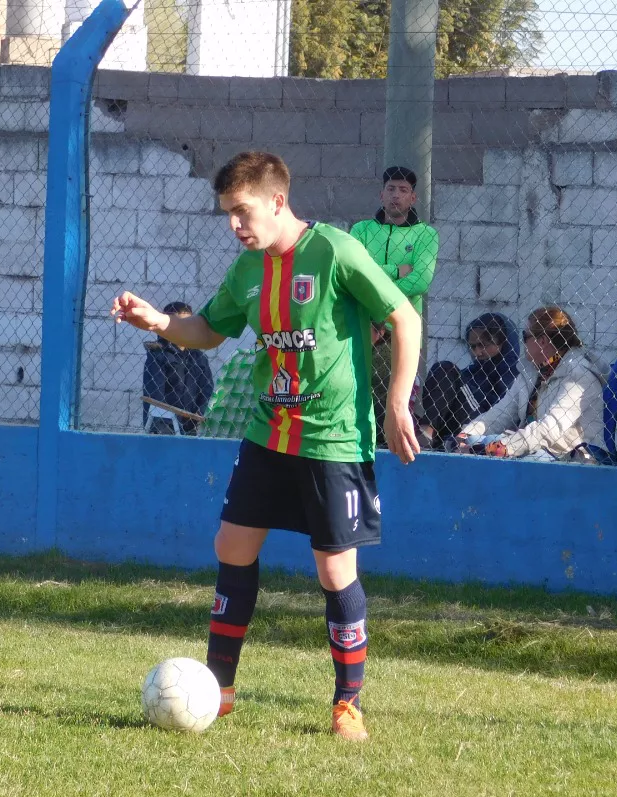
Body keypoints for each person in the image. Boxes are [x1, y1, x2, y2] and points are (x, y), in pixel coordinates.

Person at [112, 151, 422, 741]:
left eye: (242, 211)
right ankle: (219, 690)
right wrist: (156, 320)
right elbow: (207, 330)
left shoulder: (334, 250)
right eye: (228, 214)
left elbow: (404, 317)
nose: (235, 225)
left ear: (277, 200)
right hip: (268, 433)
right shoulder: (248, 268)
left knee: (334, 570)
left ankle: (347, 704)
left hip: (332, 437)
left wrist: (397, 402)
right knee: (231, 545)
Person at [349, 166, 439, 443]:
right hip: (362, 328)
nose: (396, 196)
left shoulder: (425, 235)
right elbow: (352, 275)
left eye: (403, 190)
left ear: (413, 198)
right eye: (391, 189)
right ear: (381, 194)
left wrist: (374, 280)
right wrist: (396, 270)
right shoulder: (362, 230)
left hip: (399, 333)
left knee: (392, 408)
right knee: (356, 402)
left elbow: (420, 282)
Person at [454, 306, 609, 462]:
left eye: (525, 336)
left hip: (569, 458)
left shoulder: (578, 376)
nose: (522, 342)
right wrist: (466, 435)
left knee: (505, 457)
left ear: (542, 341)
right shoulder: (532, 371)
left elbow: (549, 430)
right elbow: (500, 414)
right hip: (533, 450)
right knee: (473, 442)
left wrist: (504, 446)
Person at [419, 313, 521, 447]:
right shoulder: (472, 371)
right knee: (444, 370)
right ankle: (426, 435)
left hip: (485, 425)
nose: (477, 353)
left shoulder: (515, 375)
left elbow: (502, 412)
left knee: (446, 369)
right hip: (459, 423)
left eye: (483, 345)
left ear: (503, 343)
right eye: (473, 347)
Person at [142, 302, 214, 435]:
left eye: (189, 323)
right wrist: (169, 426)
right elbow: (155, 397)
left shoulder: (199, 358)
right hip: (163, 426)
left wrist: (199, 413)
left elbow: (207, 389)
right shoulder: (158, 356)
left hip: (192, 425)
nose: (186, 329)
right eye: (181, 324)